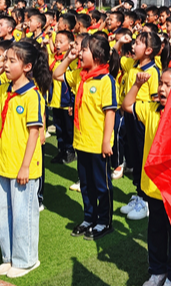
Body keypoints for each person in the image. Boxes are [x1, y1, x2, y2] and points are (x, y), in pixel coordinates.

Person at [0, 41, 51, 278]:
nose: (6, 65)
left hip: (23, 166)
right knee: (5, 212)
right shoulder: (4, 89)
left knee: (23, 214)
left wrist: (26, 166)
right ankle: (10, 257)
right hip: (4, 164)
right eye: (5, 59)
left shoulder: (33, 96)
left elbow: (33, 134)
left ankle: (27, 259)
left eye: (11, 61)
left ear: (27, 66)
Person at [122, 68, 171, 287]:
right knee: (156, 232)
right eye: (161, 83)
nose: (161, 88)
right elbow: (128, 105)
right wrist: (137, 85)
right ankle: (157, 271)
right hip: (153, 186)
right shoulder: (151, 109)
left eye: (168, 85)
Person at [53, 34, 118, 241]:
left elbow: (110, 112)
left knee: (101, 184)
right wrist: (69, 58)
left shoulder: (105, 80)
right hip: (81, 142)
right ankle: (89, 217)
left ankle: (104, 221)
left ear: (97, 56)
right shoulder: (80, 75)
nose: (80, 52)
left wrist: (107, 141)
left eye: (84, 50)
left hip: (98, 143)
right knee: (86, 184)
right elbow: (57, 74)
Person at [114, 33, 162, 221]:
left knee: (143, 156)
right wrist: (120, 42)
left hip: (142, 117)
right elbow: (115, 56)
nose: (133, 46)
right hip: (129, 114)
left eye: (139, 44)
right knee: (133, 156)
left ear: (149, 50)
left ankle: (146, 199)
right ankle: (138, 193)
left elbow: (155, 99)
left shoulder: (153, 71)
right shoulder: (132, 65)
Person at [48, 31, 78, 165]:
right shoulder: (54, 58)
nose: (57, 44)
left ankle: (70, 151)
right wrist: (49, 39)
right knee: (59, 128)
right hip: (55, 101)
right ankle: (61, 151)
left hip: (66, 102)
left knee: (69, 129)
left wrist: (72, 102)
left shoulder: (72, 60)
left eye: (61, 42)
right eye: (56, 41)